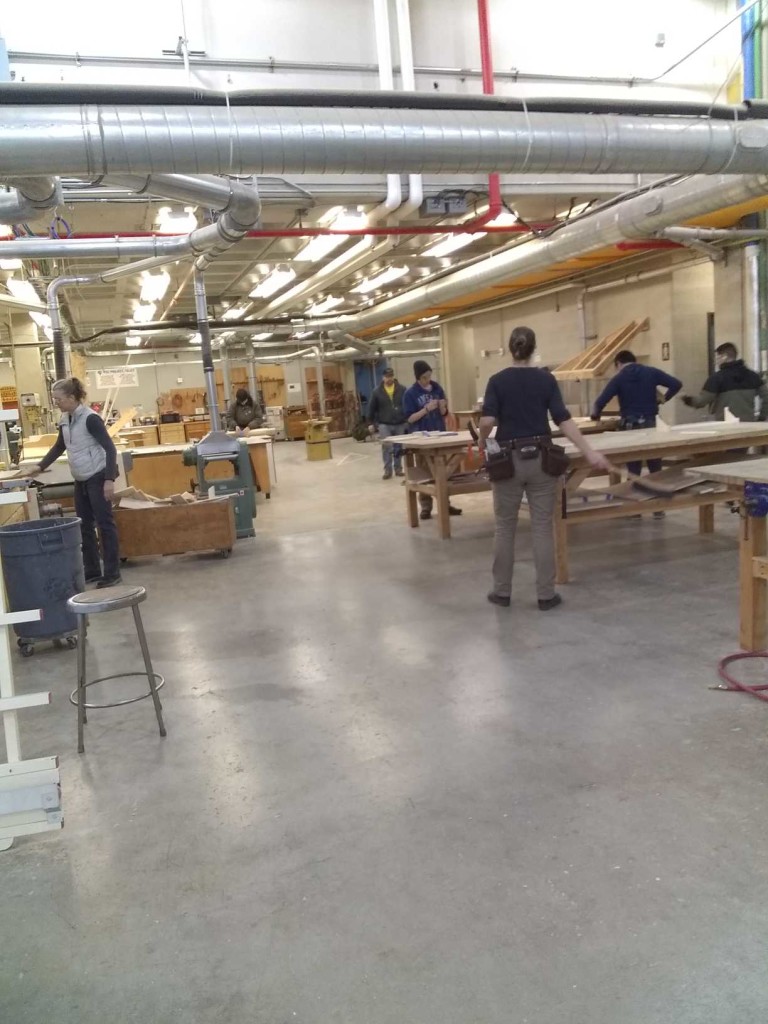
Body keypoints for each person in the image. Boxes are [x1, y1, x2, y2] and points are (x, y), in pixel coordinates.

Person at [479, 326, 613, 611]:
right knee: (542, 526)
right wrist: (589, 452)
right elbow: (563, 420)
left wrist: (482, 442)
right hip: (541, 459)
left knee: (505, 526)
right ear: (533, 349)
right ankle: (545, 595)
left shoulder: (497, 381)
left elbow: (488, 422)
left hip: (507, 461)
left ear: (510, 348)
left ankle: (502, 592)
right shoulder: (546, 379)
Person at [29, 377, 121, 588]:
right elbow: (59, 446)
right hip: (80, 479)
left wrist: (109, 479)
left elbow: (110, 449)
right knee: (84, 526)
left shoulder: (91, 419)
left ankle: (112, 573)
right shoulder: (65, 419)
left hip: (97, 476)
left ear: (71, 397)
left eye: (58, 399)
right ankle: (92, 570)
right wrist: (40, 466)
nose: (56, 403)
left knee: (105, 525)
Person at [591, 350, 682, 480]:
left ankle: (634, 489)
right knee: (654, 461)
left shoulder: (619, 378)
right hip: (652, 422)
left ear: (618, 363)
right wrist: (663, 399)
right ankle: (658, 487)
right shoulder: (651, 372)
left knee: (633, 464)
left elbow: (600, 402)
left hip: (630, 425)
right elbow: (676, 384)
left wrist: (595, 417)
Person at [403, 359, 461, 520]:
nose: (427, 380)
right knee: (424, 472)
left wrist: (442, 406)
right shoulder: (410, 394)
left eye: (429, 376)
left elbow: (444, 413)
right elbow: (410, 418)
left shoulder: (437, 388)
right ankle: (426, 507)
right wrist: (426, 409)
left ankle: (445, 503)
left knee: (443, 471)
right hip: (422, 437)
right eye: (424, 377)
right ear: (418, 377)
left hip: (439, 434)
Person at [682, 342, 768, 421]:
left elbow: (701, 402)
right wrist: (762, 417)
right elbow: (766, 397)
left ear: (724, 357)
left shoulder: (716, 378)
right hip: (749, 425)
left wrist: (686, 399)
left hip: (725, 425)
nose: (716, 361)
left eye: (717, 357)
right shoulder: (753, 376)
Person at [367, 367, 408, 479]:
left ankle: (398, 469)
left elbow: (406, 404)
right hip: (384, 424)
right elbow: (371, 408)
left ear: (393, 376)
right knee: (387, 447)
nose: (389, 379)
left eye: (390, 376)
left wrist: (407, 419)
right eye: (386, 377)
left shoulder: (402, 389)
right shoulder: (376, 392)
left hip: (399, 423)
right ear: (383, 377)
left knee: (398, 447)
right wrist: (370, 423)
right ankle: (387, 470)